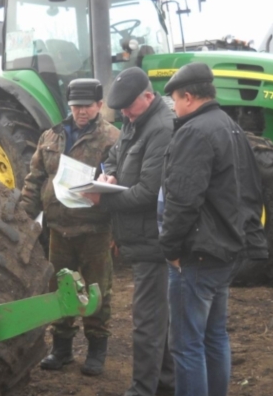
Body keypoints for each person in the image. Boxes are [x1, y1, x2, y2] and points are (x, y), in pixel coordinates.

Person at [159, 62, 267, 396]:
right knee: (214, 336)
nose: (174, 108)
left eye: (175, 100)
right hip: (226, 250)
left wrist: (171, 249)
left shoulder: (193, 133)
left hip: (198, 255)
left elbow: (183, 200)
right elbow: (252, 191)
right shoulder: (231, 127)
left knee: (187, 345)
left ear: (188, 97)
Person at [81, 67, 175, 396]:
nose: (122, 115)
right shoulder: (136, 122)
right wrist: (106, 175)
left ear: (148, 97)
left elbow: (150, 192)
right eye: (119, 110)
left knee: (147, 322)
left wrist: (103, 201)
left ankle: (142, 390)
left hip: (154, 240)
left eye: (127, 108)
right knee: (155, 318)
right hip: (140, 237)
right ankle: (165, 384)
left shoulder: (161, 129)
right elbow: (113, 155)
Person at [19, 78, 120, 376]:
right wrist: (25, 219)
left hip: (94, 231)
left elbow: (118, 185)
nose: (81, 112)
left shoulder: (112, 139)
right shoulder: (51, 136)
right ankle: (61, 349)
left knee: (97, 291)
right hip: (58, 231)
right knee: (59, 288)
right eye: (76, 106)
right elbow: (35, 179)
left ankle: (96, 351)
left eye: (87, 106)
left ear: (100, 105)